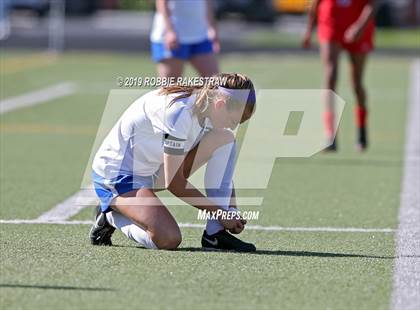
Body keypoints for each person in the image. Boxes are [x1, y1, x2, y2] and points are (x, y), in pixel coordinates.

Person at [89, 73, 257, 252]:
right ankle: (111, 216)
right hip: (118, 176)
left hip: (154, 170)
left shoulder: (208, 105)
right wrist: (220, 212)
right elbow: (174, 183)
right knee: (168, 239)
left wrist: (231, 209)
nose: (233, 126)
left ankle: (215, 234)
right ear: (220, 104)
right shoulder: (178, 113)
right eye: (234, 120)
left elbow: (222, 174)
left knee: (225, 139)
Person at [303, 0, 376, 151]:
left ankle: (361, 129)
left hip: (358, 22)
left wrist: (360, 26)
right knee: (330, 75)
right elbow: (315, 3)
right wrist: (309, 31)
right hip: (331, 23)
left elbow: (373, 3)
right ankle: (330, 134)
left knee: (356, 83)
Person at [150, 0, 220, 78]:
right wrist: (169, 31)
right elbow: (161, 2)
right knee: (171, 87)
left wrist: (211, 27)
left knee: (214, 82)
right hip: (174, 37)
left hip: (200, 35)